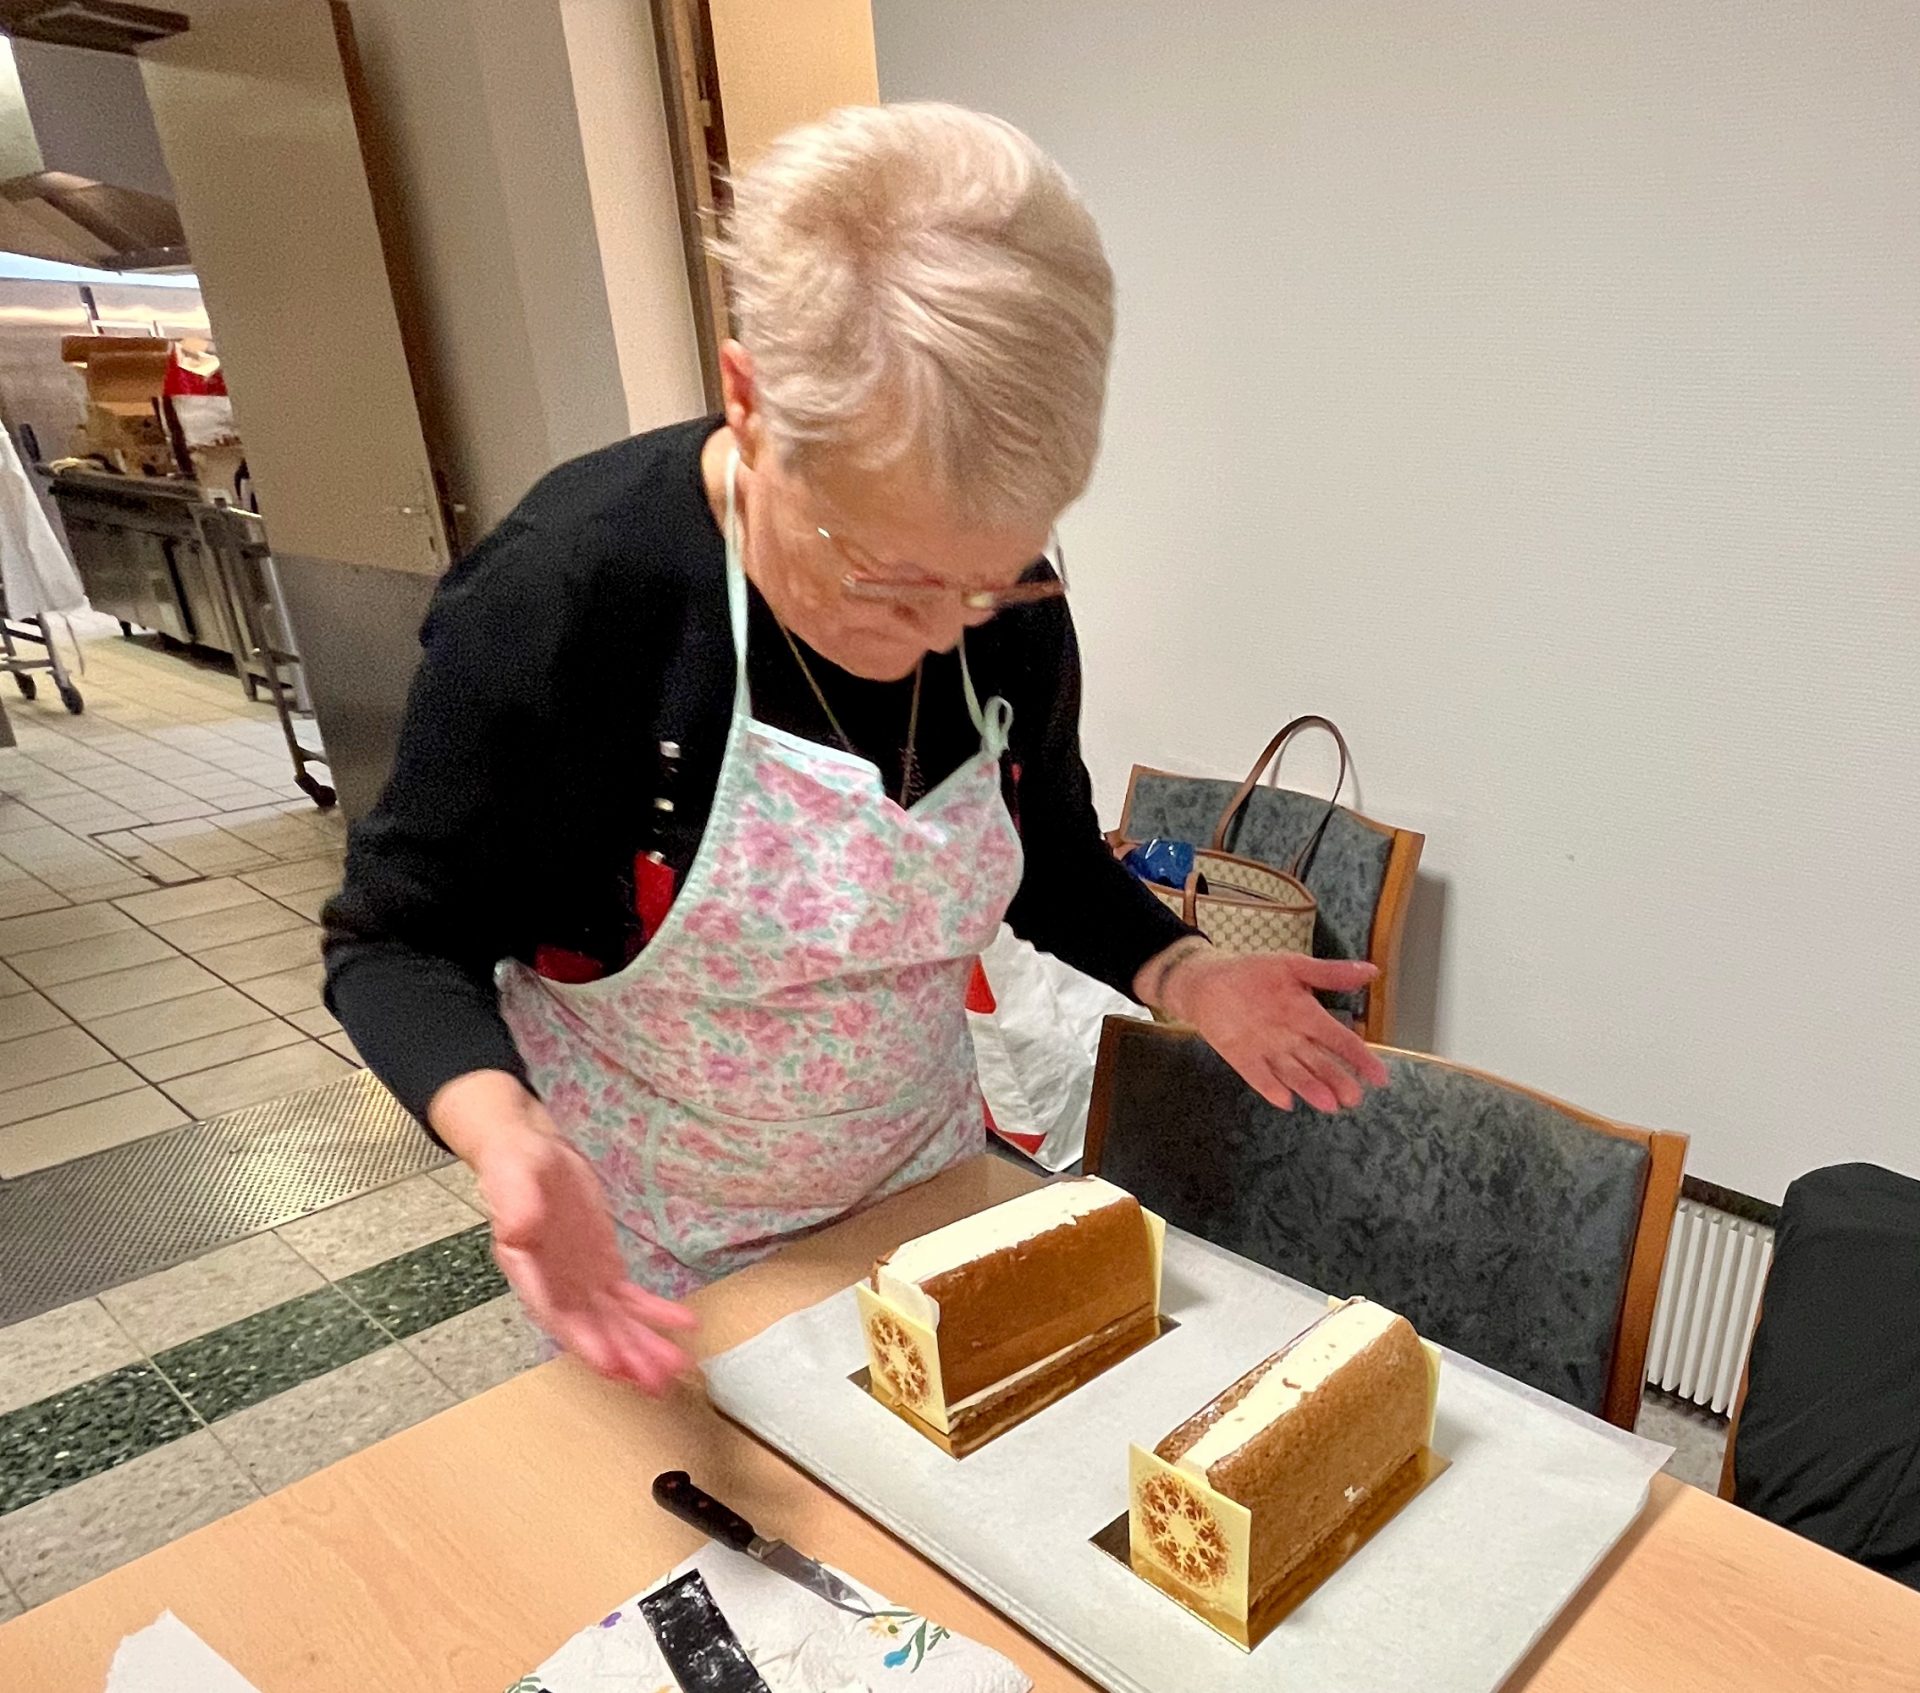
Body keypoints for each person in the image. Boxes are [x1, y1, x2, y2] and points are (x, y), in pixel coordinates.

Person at [324, 103, 1387, 1394]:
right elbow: (394, 939)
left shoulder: (1001, 605)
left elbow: (1045, 856)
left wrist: (1186, 971)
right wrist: (503, 1131)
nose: (947, 630)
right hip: (658, 1271)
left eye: (990, 580)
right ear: (749, 402)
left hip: (928, 1207)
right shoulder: (571, 597)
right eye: (889, 580)